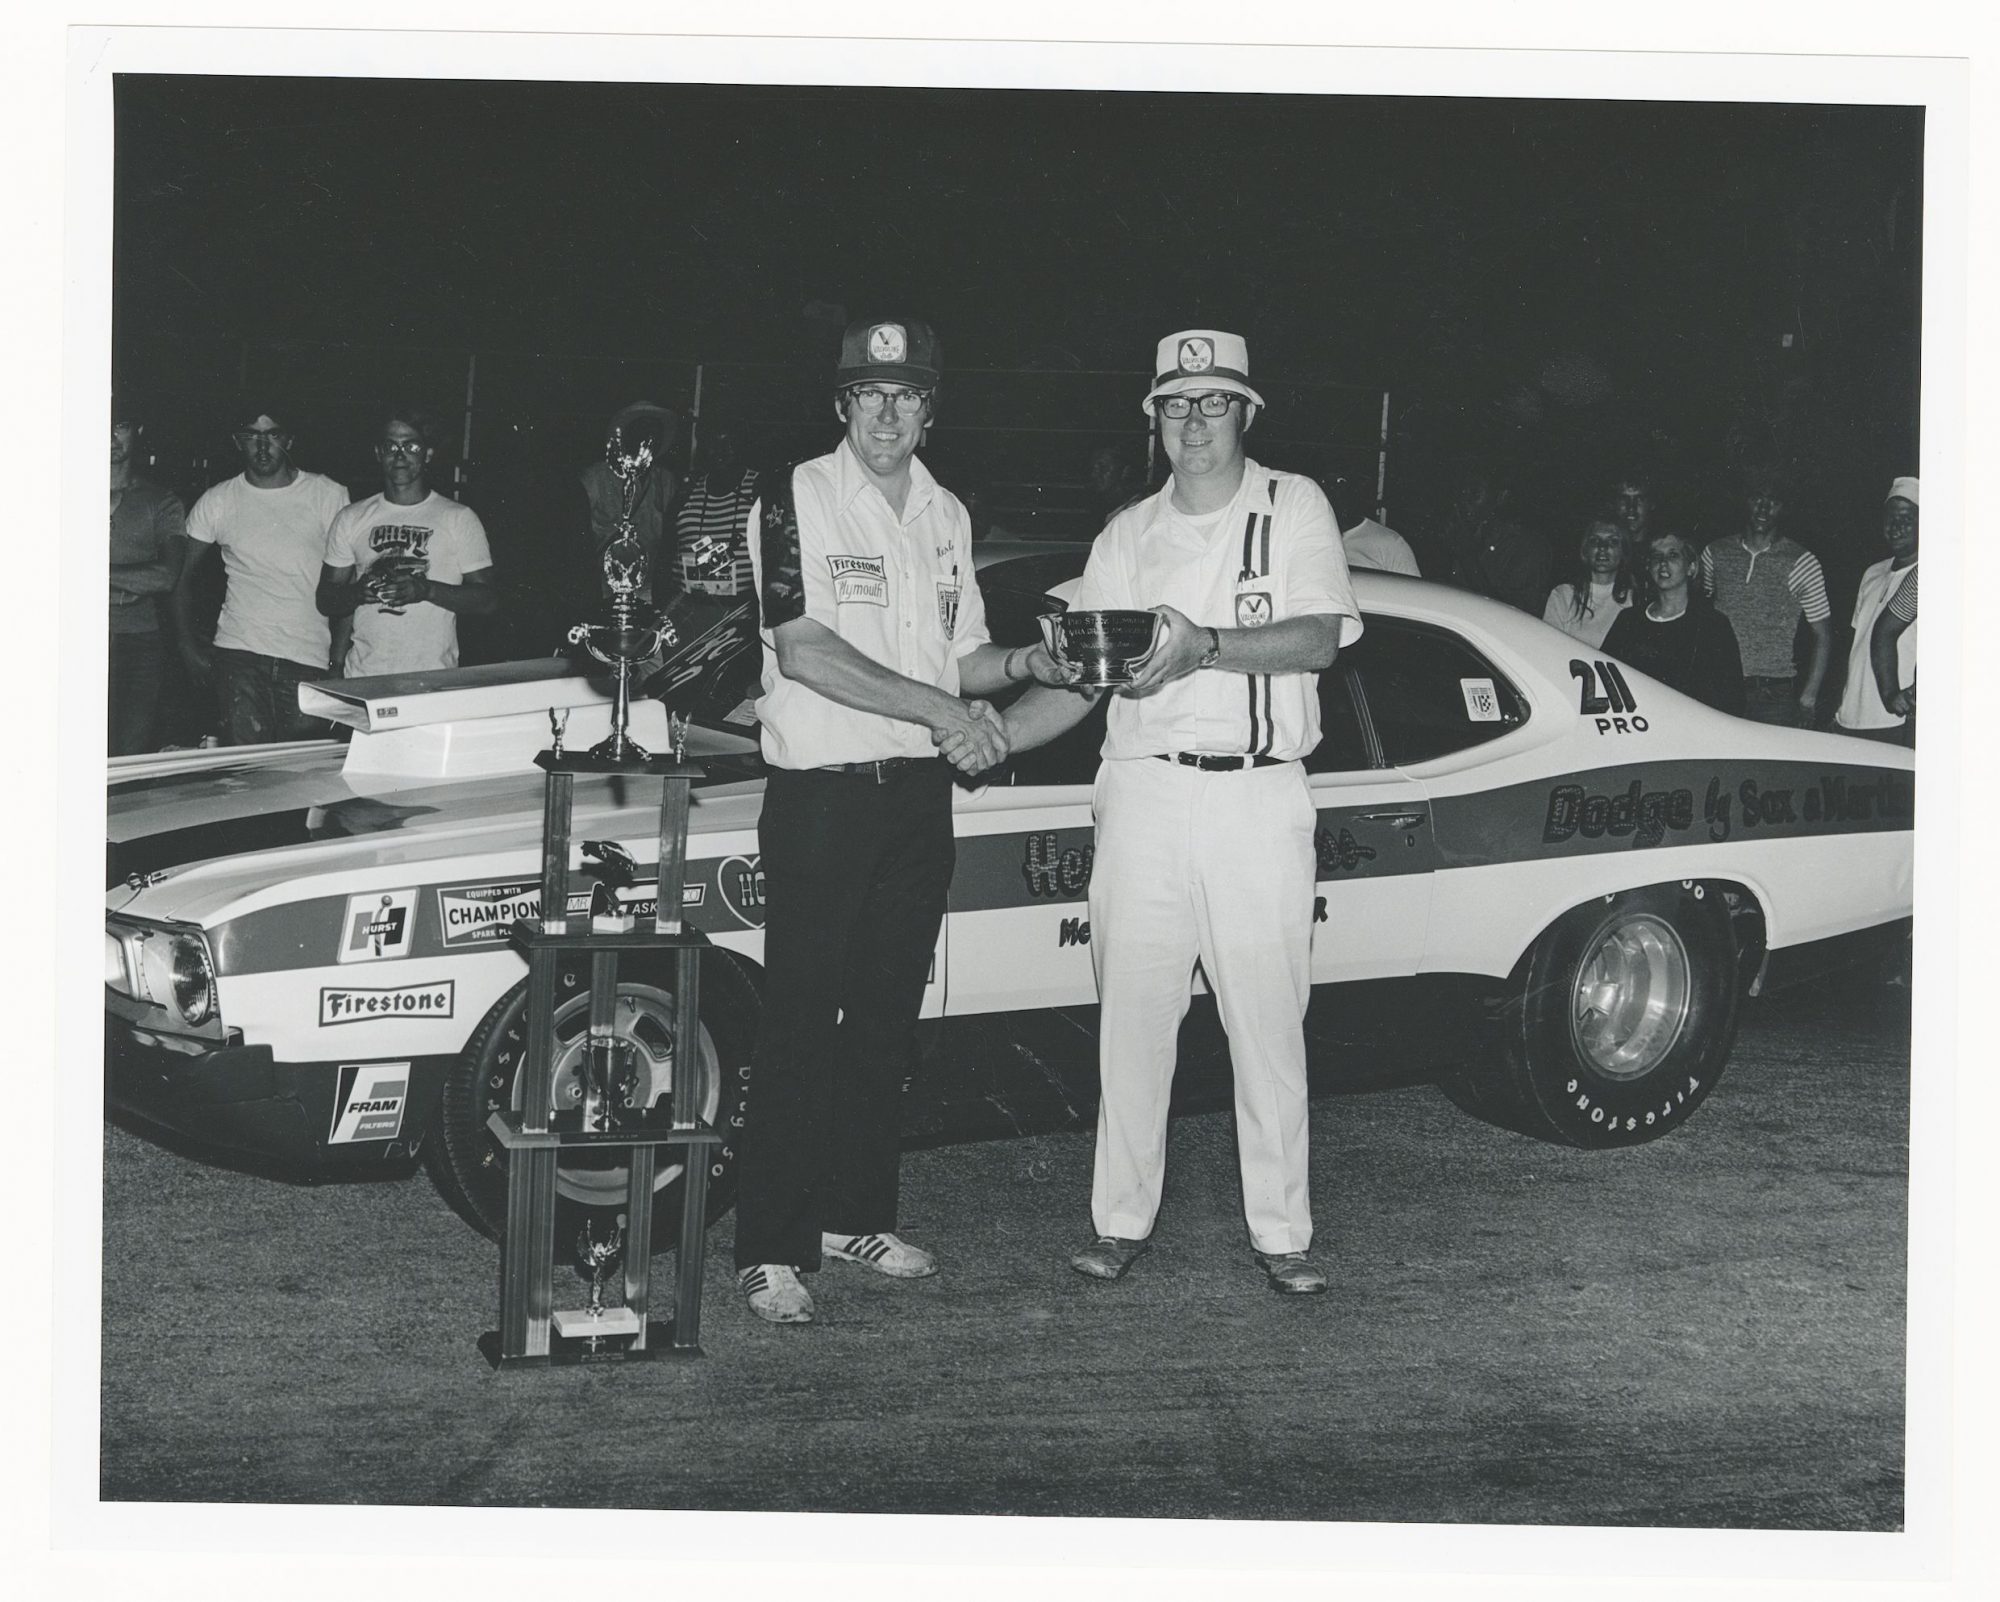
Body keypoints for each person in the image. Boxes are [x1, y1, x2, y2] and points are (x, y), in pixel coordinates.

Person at [1002, 328, 1362, 1296]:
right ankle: (1117, 1222)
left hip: (1255, 791)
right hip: (1145, 791)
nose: (1192, 422)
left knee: (1265, 1019)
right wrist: (988, 735)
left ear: (1245, 411)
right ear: (1151, 420)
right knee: (1131, 1015)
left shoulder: (1293, 507)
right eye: (1174, 404)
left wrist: (1204, 644)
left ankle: (1282, 1233)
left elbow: (1319, 638)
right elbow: (1084, 679)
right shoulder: (1125, 535)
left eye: (1211, 402)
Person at [733, 318, 1070, 1326]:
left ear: (931, 408)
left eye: (906, 394)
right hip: (824, 797)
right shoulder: (791, 496)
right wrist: (945, 712)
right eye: (867, 394)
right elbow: (804, 652)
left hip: (916, 799)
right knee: (800, 1022)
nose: (886, 413)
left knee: (884, 1019)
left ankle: (852, 1215)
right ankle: (769, 1246)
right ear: (840, 405)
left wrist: (1023, 669)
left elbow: (958, 658)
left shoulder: (945, 513)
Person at [174, 401, 350, 744]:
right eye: (252, 436)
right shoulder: (219, 500)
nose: (263, 446)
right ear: (238, 442)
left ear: (290, 440)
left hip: (307, 655)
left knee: (300, 776)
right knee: (246, 772)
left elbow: (347, 583)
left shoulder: (327, 494)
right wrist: (187, 646)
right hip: (239, 655)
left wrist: (339, 661)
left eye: (273, 435)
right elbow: (179, 578)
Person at [316, 405, 497, 675]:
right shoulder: (351, 517)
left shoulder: (458, 517)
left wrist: (426, 590)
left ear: (428, 454)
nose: (399, 456)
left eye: (410, 447)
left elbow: (487, 599)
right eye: (390, 447)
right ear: (378, 454)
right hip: (365, 676)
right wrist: (356, 593)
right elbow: (326, 598)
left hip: (432, 677)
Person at [1697, 472, 1832, 727]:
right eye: (1757, 498)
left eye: (1774, 501)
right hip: (1721, 688)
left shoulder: (1802, 561)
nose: (1764, 508)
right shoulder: (1714, 553)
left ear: (1784, 509)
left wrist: (1808, 698)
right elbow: (1701, 617)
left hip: (1773, 696)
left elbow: (1823, 635)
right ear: (1744, 502)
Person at [108, 401, 188, 755]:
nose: (109, 437)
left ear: (137, 432)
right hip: (69, 638)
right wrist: (130, 578)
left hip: (137, 643)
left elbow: (165, 577)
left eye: (120, 425)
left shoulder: (161, 501)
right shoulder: (57, 491)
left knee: (128, 756)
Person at [1602, 530, 1745, 714]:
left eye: (1673, 555)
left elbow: (1732, 698)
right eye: (1656, 556)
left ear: (1691, 568)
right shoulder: (1629, 620)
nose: (1663, 563)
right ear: (1648, 567)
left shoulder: (1713, 624)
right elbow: (1606, 678)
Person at [1834, 477, 1919, 746]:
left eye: (1906, 519)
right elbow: (1856, 645)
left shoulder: (1933, 576)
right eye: (1890, 519)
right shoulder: (1872, 572)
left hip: (1893, 719)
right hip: (1849, 717)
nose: (1896, 527)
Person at [581, 401, 679, 602]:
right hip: (602, 587)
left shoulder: (666, 480)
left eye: (655, 433)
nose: (648, 439)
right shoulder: (595, 478)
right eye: (642, 430)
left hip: (649, 588)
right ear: (626, 434)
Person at [1440, 473, 1549, 614]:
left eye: (1475, 493)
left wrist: (1466, 556)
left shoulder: (1528, 547)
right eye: (1462, 492)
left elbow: (1512, 617)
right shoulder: (1467, 535)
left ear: (1501, 497)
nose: (1464, 501)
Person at [670, 424, 758, 596]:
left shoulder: (758, 486)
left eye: (729, 442)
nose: (721, 451)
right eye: (713, 443)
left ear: (742, 444)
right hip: (688, 610)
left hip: (742, 614)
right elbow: (667, 550)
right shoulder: (689, 488)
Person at [1541, 516, 1636, 647]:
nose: (1603, 547)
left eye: (1613, 541)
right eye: (1595, 541)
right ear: (1585, 550)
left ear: (1623, 551)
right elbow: (1549, 646)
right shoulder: (1564, 595)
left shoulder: (1634, 599)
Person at [1326, 475, 1420, 577]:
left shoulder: (1390, 543)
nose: (1333, 492)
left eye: (1341, 483)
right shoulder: (1311, 537)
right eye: (1325, 483)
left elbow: (1411, 591)